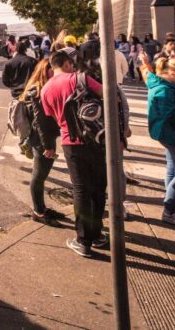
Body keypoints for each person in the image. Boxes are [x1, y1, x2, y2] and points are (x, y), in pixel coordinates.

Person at [39, 50, 107, 258]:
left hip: (71, 141)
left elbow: (51, 115)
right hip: (97, 138)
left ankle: (83, 240)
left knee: (80, 189)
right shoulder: (82, 78)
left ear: (52, 67)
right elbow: (107, 94)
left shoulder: (46, 89)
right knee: (98, 186)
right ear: (68, 63)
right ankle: (96, 234)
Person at [139, 52, 175, 229]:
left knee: (174, 171)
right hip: (170, 135)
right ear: (174, 73)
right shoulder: (165, 90)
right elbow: (170, 116)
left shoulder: (162, 86)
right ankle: (170, 210)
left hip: (165, 134)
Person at [20, 60, 63, 224]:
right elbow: (40, 122)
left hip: (45, 137)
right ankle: (38, 212)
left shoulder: (43, 88)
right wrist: (48, 146)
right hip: (40, 139)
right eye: (52, 69)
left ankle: (41, 208)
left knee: (41, 175)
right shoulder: (37, 91)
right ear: (45, 71)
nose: (55, 72)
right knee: (39, 176)